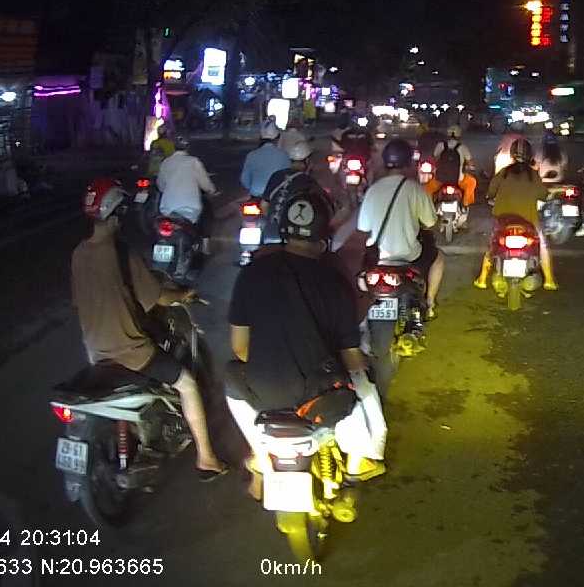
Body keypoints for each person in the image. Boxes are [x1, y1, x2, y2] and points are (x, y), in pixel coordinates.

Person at [226, 185, 386, 500]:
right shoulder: (334, 282)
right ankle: (360, 459)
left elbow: (240, 348)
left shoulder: (251, 273)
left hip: (263, 393)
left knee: (232, 378)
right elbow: (351, 357)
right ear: (323, 238)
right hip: (318, 396)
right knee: (362, 380)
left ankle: (260, 456)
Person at [71, 178, 227, 480]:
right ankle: (207, 458)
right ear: (117, 212)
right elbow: (157, 298)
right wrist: (183, 295)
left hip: (95, 352)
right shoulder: (120, 254)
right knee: (187, 384)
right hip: (130, 353)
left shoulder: (79, 253)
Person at [357, 139, 444, 319]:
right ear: (409, 162)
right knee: (438, 258)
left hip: (377, 257)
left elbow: (363, 227)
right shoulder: (416, 189)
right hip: (409, 255)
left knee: (361, 275)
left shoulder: (373, 190)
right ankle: (430, 302)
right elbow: (430, 223)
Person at [475, 139, 557, 291]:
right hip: (529, 220)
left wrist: (491, 197)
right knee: (543, 245)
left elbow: (491, 192)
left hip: (503, 219)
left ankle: (482, 279)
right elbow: (544, 195)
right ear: (529, 155)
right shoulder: (533, 175)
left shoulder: (504, 173)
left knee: (492, 245)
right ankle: (549, 280)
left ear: (512, 154)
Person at [157, 135, 219, 253]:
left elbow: (161, 185)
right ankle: (205, 246)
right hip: (189, 209)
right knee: (207, 214)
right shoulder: (193, 162)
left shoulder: (166, 162)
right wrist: (212, 191)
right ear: (188, 147)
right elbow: (205, 183)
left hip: (167, 209)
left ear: (174, 147)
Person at [260, 138, 317, 245]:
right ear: (307, 161)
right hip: (291, 240)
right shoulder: (308, 181)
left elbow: (264, 205)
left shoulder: (276, 175)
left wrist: (273, 222)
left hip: (270, 235)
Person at [427, 125, 476, 206]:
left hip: (440, 179)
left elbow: (434, 158)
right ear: (459, 135)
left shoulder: (440, 145)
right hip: (459, 180)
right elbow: (471, 163)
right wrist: (471, 166)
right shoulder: (463, 147)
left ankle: (428, 204)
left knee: (427, 188)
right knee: (472, 182)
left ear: (447, 135)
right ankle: (465, 203)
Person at [240, 118, 288, 199]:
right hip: (275, 196)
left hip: (255, 194)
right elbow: (286, 178)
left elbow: (244, 179)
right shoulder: (284, 155)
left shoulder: (251, 155)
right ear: (277, 139)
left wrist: (253, 188)